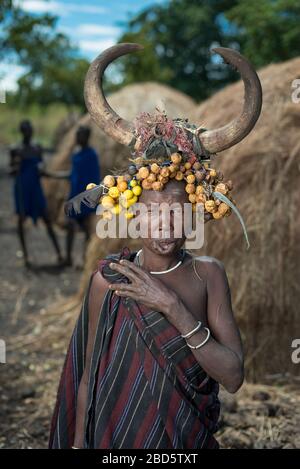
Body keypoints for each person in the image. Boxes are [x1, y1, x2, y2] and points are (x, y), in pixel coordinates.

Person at [49, 43, 262, 449]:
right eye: (152, 212)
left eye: (176, 212)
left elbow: (233, 377)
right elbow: (89, 375)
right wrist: (78, 444)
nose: (163, 226)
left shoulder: (208, 275)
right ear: (133, 213)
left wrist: (170, 305)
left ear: (195, 213)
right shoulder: (108, 280)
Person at [10, 120, 62, 268]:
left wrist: (43, 170)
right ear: (21, 131)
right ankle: (25, 255)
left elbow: (41, 167)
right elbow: (11, 171)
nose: (28, 132)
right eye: (25, 130)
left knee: (46, 218)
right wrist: (16, 165)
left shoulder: (37, 148)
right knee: (21, 220)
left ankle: (59, 253)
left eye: (30, 129)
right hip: (21, 188)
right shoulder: (16, 149)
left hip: (35, 188)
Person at [65, 125, 100, 267]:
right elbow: (72, 175)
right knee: (70, 226)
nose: (78, 138)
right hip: (74, 195)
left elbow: (94, 178)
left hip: (86, 197)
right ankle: (68, 257)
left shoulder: (91, 155)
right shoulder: (76, 153)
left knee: (85, 227)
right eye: (77, 135)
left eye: (81, 135)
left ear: (87, 137)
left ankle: (86, 257)